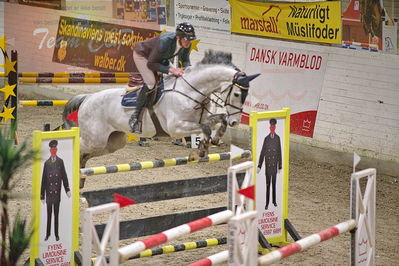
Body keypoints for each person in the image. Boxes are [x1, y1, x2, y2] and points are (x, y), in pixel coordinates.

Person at [129, 22, 196, 133]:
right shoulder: (165, 42)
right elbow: (151, 64)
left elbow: (185, 60)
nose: (188, 42)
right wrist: (172, 70)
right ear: (178, 37)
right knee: (151, 83)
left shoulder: (186, 44)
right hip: (143, 56)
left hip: (159, 59)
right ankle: (135, 116)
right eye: (186, 39)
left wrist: (188, 70)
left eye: (190, 39)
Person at [41, 140, 71, 241]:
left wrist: (67, 189)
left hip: (57, 193)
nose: (53, 150)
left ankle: (57, 234)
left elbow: (64, 176)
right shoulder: (47, 163)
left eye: (55, 149)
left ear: (56, 150)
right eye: (52, 149)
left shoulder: (60, 162)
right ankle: (48, 234)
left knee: (56, 215)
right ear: (50, 150)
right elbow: (43, 180)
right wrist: (42, 195)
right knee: (49, 215)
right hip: (49, 193)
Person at [257, 118, 282, 210]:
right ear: (269, 127)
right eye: (271, 126)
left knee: (274, 184)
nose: (272, 128)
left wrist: (280, 166)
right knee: (268, 185)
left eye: (274, 126)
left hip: (274, 165)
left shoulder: (277, 138)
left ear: (275, 127)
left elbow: (279, 152)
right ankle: (267, 203)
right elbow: (262, 152)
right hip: (268, 166)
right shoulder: (266, 139)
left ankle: (274, 201)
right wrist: (259, 165)